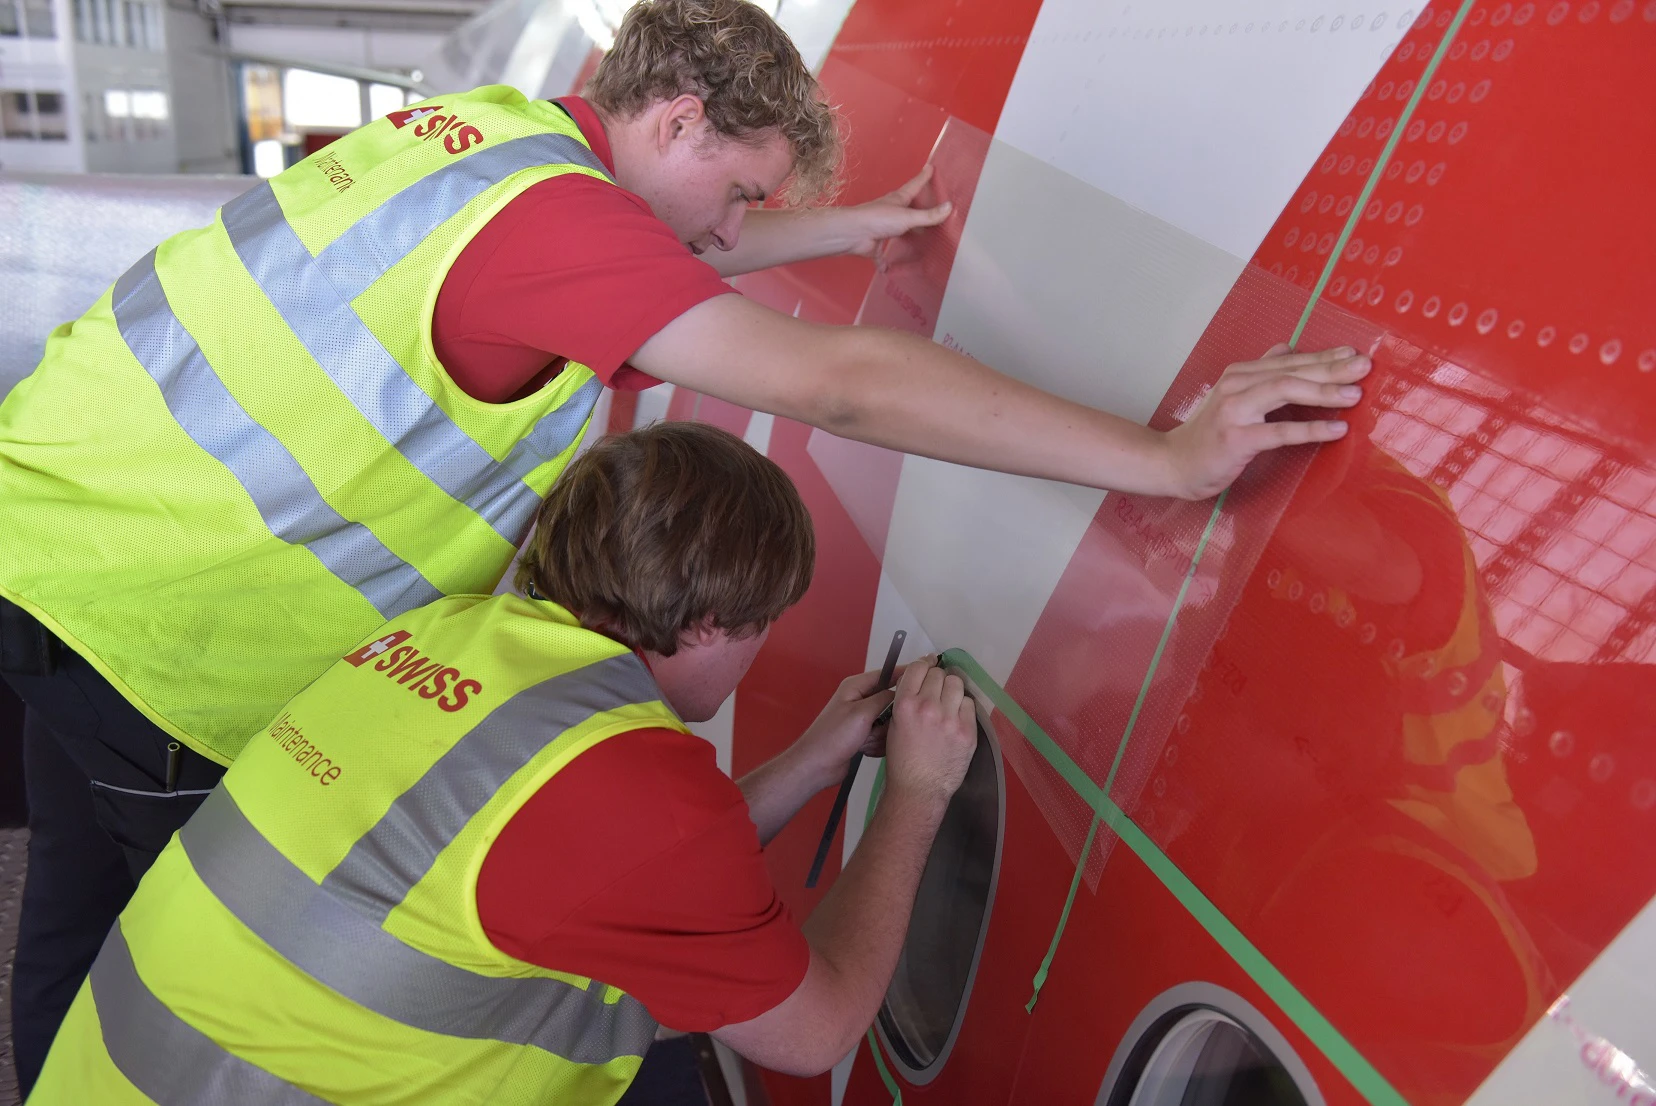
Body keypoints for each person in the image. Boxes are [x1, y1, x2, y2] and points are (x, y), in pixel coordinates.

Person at [0, 0, 1369, 1088]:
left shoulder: (486, 139)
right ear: (677, 118)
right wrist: (1169, 455)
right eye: (747, 193)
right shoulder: (558, 233)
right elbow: (836, 382)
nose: (739, 229)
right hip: (174, 644)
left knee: (70, 919)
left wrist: (842, 227)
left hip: (66, 539)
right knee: (219, 960)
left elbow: (640, 247)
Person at [29, 421, 981, 1104]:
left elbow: (593, 870)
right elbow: (817, 1032)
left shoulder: (451, 636)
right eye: (764, 623)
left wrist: (815, 761)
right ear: (707, 621)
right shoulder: (631, 791)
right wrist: (918, 792)